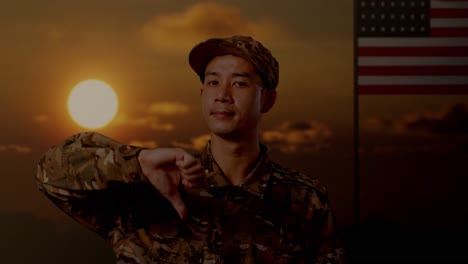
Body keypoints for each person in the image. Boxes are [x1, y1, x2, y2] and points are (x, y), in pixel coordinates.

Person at [35, 35, 345, 263]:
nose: (222, 95)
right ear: (201, 94)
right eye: (212, 83)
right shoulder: (152, 183)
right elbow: (50, 171)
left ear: (267, 99)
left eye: (239, 83)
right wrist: (138, 162)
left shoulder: (304, 200)